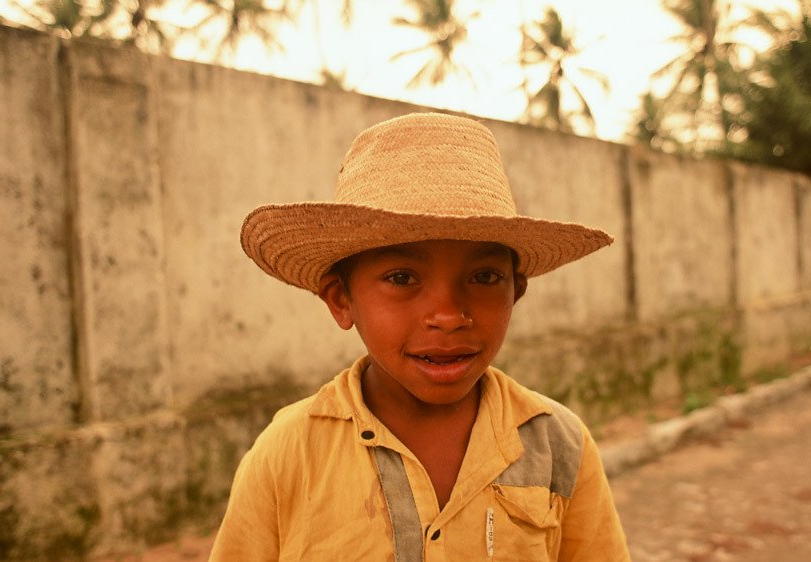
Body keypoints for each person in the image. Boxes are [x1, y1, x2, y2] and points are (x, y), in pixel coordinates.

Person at [209, 112, 630, 561]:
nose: (448, 316)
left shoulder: (559, 445)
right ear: (340, 300)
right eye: (402, 277)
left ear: (516, 292)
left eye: (484, 276)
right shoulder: (288, 453)